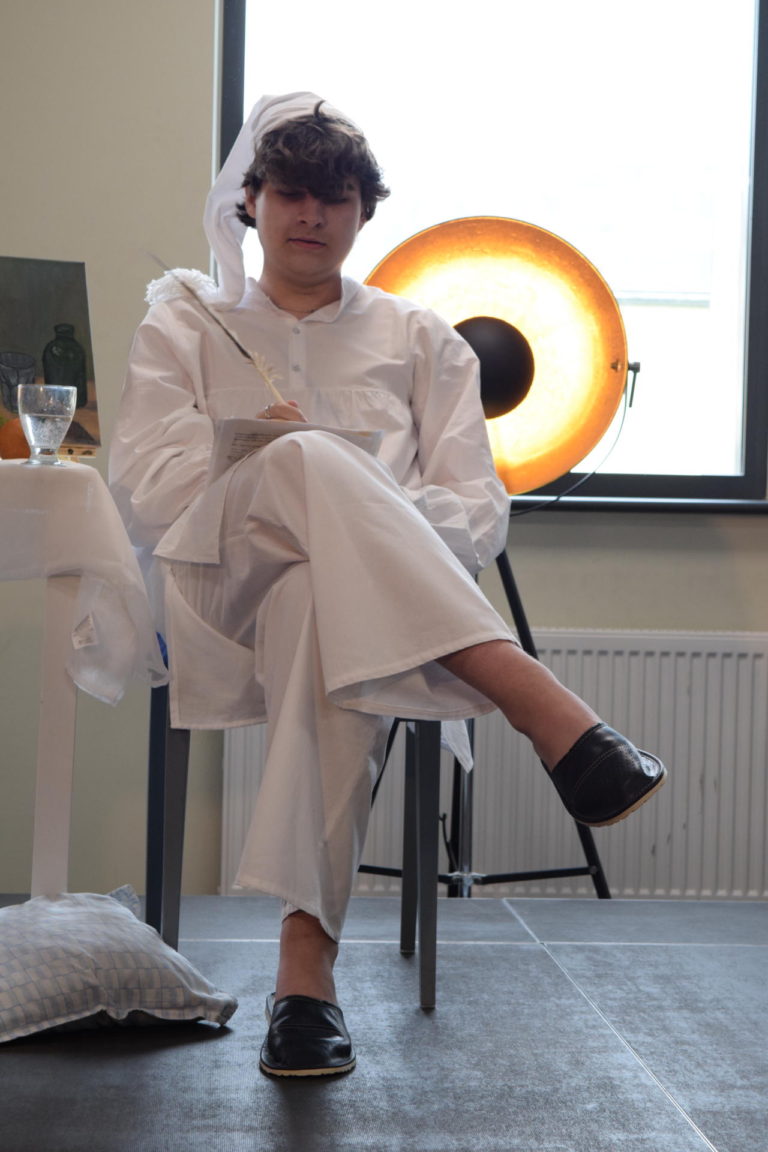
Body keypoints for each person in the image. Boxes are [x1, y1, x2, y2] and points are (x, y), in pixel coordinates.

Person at [109, 92, 666, 1079]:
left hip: (355, 618)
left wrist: (356, 522)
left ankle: (305, 980)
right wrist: (278, 454)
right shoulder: (185, 323)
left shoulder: (421, 339)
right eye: (291, 193)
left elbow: (474, 511)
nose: (311, 214)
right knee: (300, 461)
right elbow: (146, 488)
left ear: (365, 211)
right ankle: (533, 698)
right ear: (250, 201)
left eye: (335, 196)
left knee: (323, 602)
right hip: (218, 593)